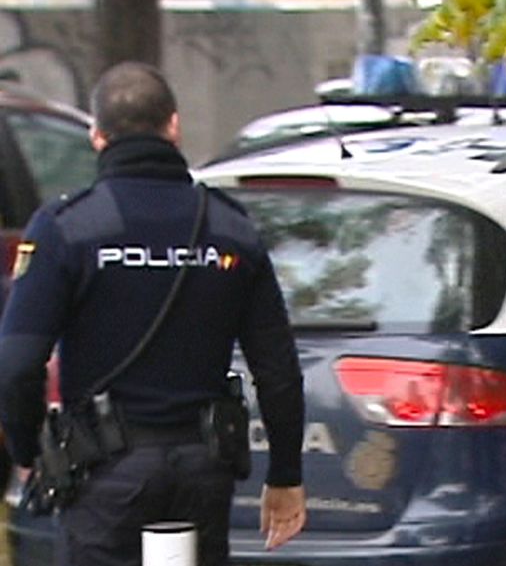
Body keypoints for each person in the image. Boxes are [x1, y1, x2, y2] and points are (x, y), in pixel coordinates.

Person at [0, 62, 306, 566]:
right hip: (202, 471)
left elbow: (17, 363)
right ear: (174, 126)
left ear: (98, 136)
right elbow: (277, 369)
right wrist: (287, 476)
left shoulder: (66, 229)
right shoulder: (229, 227)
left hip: (102, 474)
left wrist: (28, 453)